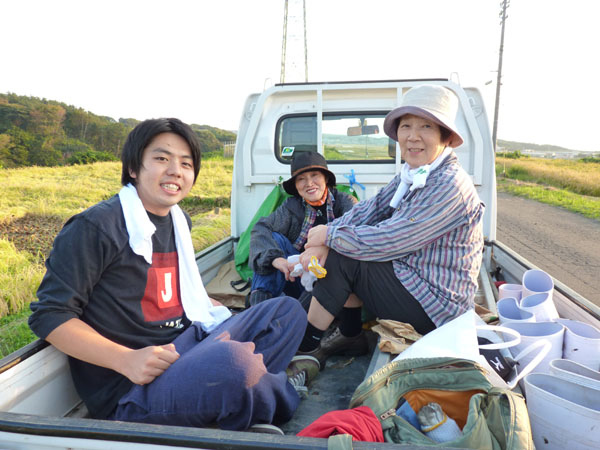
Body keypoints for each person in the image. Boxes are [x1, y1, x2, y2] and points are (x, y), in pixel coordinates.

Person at [28, 118, 319, 433]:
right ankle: (274, 391)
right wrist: (126, 359)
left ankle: (249, 391)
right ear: (133, 168)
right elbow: (49, 315)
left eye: (186, 163)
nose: (175, 171)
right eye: (162, 158)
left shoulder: (179, 221)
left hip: (190, 342)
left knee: (286, 312)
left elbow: (179, 289)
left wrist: (224, 315)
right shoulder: (96, 227)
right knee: (236, 364)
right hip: (135, 386)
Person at [296, 85, 485, 366]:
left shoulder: (448, 184)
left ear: (445, 137)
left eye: (426, 127)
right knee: (341, 251)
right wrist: (323, 240)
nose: (412, 136)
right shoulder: (414, 175)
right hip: (412, 278)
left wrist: (329, 235)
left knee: (343, 257)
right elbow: (371, 209)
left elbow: (393, 240)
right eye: (406, 125)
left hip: (437, 305)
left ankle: (304, 348)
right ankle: (345, 335)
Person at [248, 151, 357, 307]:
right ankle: (258, 307)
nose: (309, 183)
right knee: (274, 239)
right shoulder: (292, 206)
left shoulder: (345, 203)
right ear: (296, 186)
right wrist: (276, 260)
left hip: (330, 277)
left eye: (314, 175)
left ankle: (302, 316)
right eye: (301, 179)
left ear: (325, 178)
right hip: (297, 274)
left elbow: (354, 234)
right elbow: (261, 228)